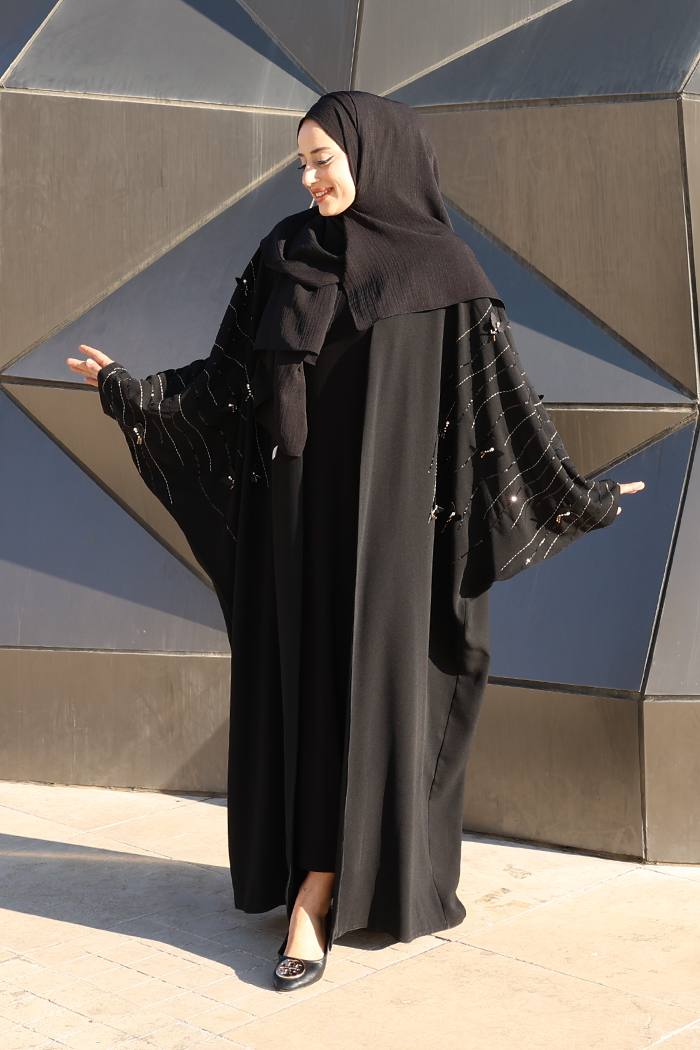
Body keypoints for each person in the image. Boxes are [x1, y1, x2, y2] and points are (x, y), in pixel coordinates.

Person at [68, 91, 644, 992]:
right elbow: (227, 380)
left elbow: (500, 405)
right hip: (295, 519)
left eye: (322, 160)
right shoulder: (282, 254)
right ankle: (312, 876)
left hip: (391, 536)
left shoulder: (443, 273)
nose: (308, 178)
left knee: (366, 694)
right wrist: (135, 395)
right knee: (306, 691)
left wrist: (576, 492)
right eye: (301, 162)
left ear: (375, 155)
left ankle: (320, 892)